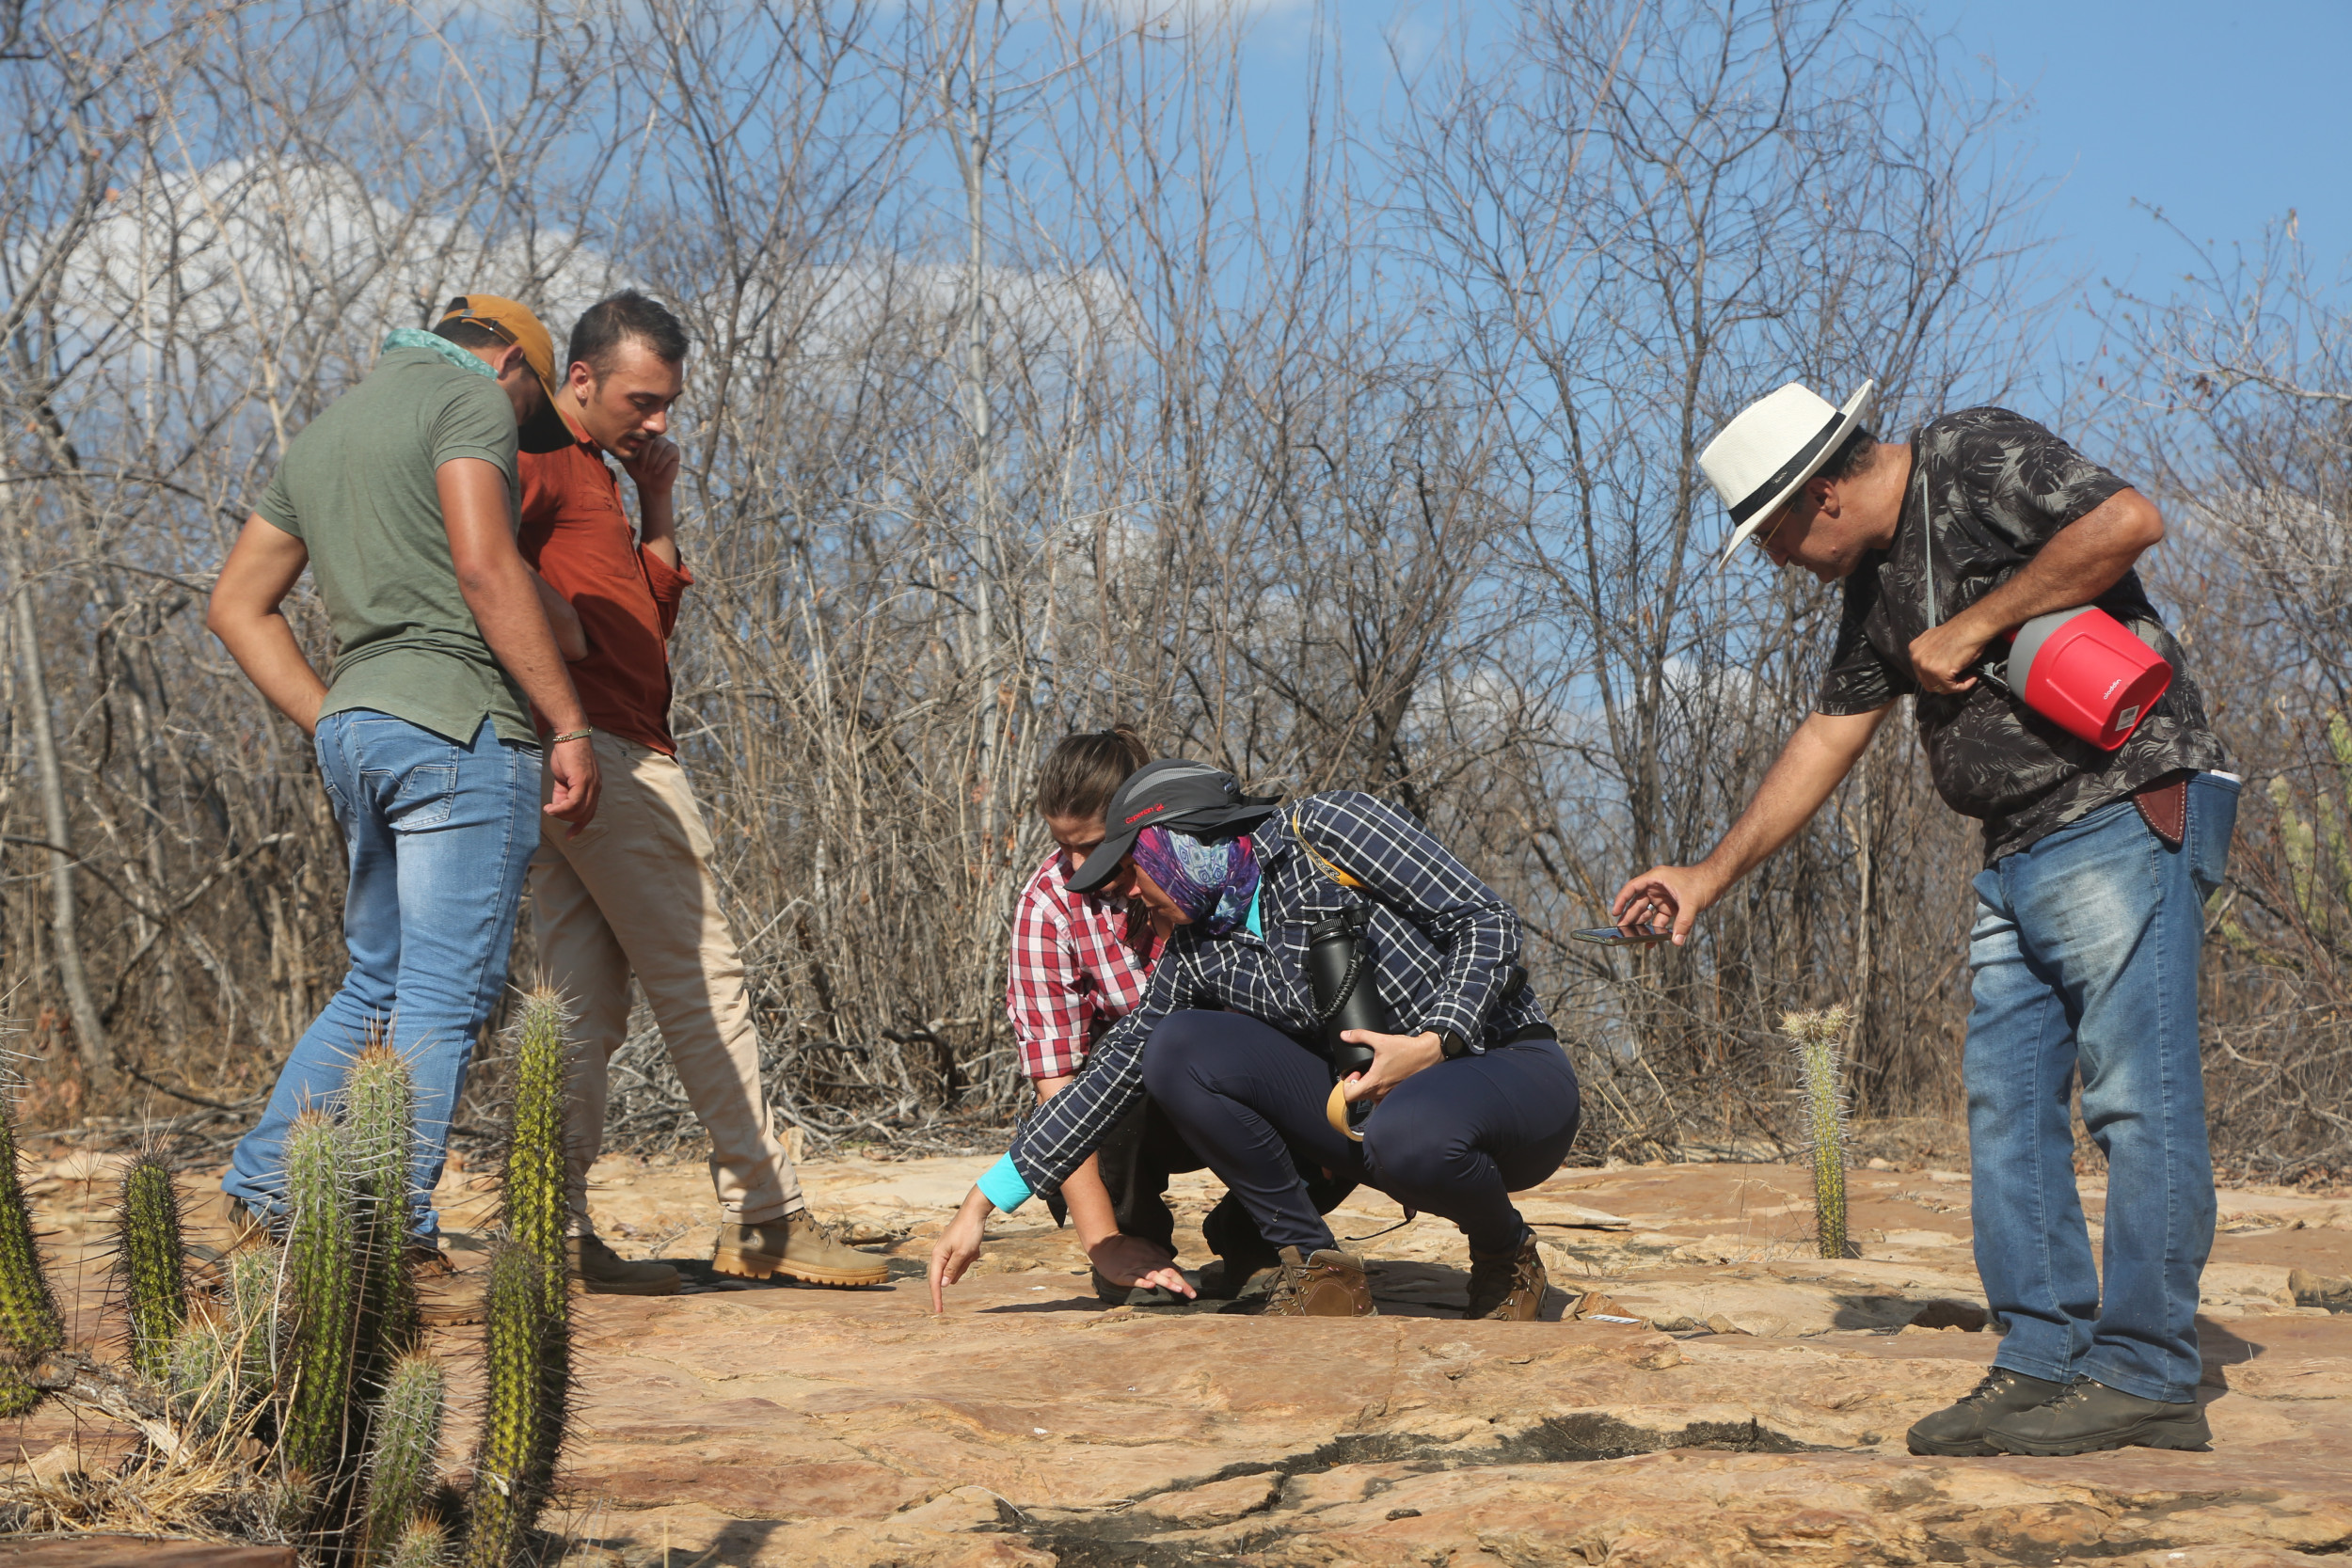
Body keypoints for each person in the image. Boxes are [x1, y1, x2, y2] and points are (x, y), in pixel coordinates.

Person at [1612, 381, 2236, 1457]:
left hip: (2121, 811)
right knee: (2002, 1099)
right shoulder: (1874, 589)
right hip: (2014, 845)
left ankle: (2148, 1370)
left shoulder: (1971, 450)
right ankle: (2040, 1356)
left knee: (2136, 1097)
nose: (1773, 562)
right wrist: (1708, 875)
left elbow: (2128, 519)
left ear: (1821, 497)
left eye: (1769, 536)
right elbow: (1825, 734)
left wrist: (1982, 620)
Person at [208, 294, 599, 1316]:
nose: (524, 434)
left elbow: (235, 605)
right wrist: (565, 720)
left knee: (377, 976)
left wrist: (339, 715)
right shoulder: (467, 402)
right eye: (531, 414)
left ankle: (261, 1189)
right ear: (508, 362)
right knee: (443, 992)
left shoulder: (330, 430)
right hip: (464, 726)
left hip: (362, 724)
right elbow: (483, 561)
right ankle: (386, 1223)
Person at [519, 290, 885, 1293]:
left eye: (668, 402)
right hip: (606, 751)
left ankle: (549, 1231)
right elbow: (472, 561)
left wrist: (658, 503)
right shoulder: (535, 454)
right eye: (642, 400)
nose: (659, 421)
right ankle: (765, 1212)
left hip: (588, 747)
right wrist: (566, 644)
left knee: (579, 1007)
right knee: (703, 976)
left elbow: (649, 622)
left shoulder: (597, 470)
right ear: (581, 380)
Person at [935, 761, 1581, 1319]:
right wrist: (983, 1202)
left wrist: (1438, 1037)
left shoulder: (1329, 829)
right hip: (1372, 1117)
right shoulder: (1193, 953)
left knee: (1412, 1128)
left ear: (1172, 846)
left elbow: (1486, 918)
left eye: (1131, 868)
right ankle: (1317, 1267)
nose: (1126, 892)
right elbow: (1105, 1081)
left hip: (1502, 1066)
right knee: (1175, 1045)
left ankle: (1506, 1252)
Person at [1010, 729, 1325, 1303]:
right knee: (1123, 1066)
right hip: (1129, 1114)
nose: (1078, 867)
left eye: (1097, 845)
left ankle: (1257, 1240)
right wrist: (1101, 1239)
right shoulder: (1048, 906)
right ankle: (1134, 1249)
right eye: (1064, 847)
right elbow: (1055, 1082)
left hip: (1239, 1086)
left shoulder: (1221, 869)